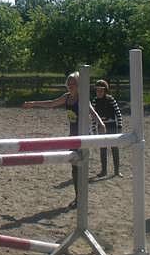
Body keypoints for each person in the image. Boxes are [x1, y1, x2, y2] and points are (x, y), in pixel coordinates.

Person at [23, 72, 106, 208]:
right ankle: (78, 198)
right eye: (69, 83)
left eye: (73, 83)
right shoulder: (66, 98)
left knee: (81, 168)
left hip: (83, 136)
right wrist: (33, 103)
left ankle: (81, 199)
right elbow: (51, 104)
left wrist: (101, 125)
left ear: (79, 85)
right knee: (74, 168)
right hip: (72, 136)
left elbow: (92, 112)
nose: (70, 86)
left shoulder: (83, 98)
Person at [92, 79, 123, 178]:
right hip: (101, 128)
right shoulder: (95, 101)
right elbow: (93, 116)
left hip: (112, 126)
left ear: (105, 90)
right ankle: (104, 171)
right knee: (103, 149)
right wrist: (94, 129)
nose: (99, 92)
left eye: (101, 90)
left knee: (114, 148)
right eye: (97, 90)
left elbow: (118, 113)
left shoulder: (111, 99)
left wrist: (119, 126)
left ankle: (117, 171)